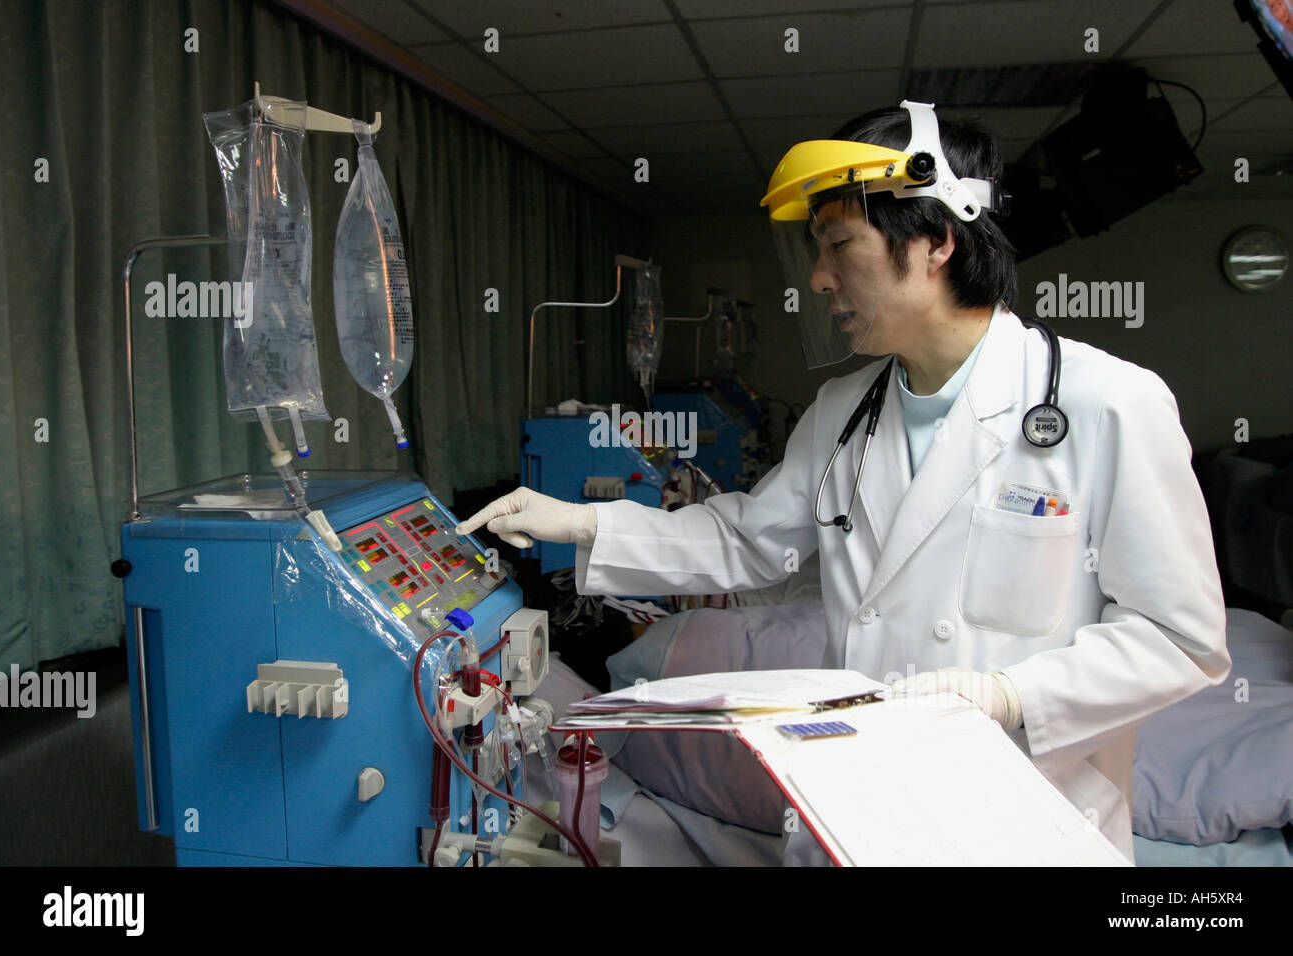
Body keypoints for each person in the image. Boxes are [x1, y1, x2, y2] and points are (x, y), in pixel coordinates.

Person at [457, 102, 1230, 865]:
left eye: (837, 245)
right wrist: (583, 523)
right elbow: (746, 541)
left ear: (934, 240)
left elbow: (1181, 639)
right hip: (858, 810)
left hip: (1020, 819)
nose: (820, 280)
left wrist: (1010, 696)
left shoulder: (1104, 404)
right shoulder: (842, 412)